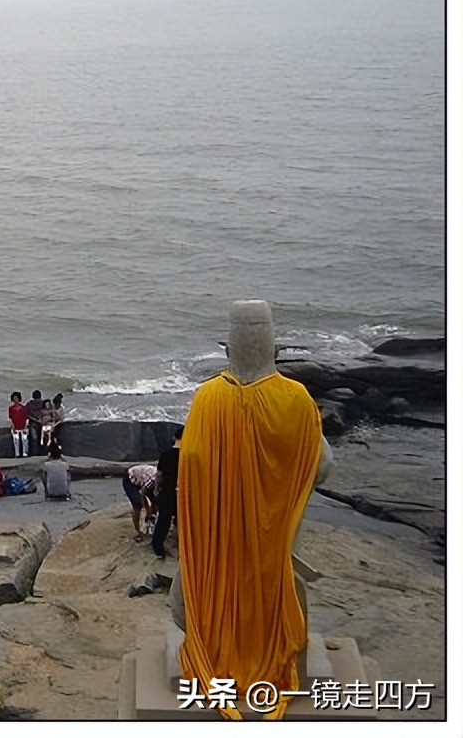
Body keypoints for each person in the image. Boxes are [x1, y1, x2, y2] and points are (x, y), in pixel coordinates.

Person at [175, 300, 330, 721]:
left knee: (182, 607)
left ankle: (224, 663)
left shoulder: (207, 399)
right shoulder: (296, 400)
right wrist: (283, 480)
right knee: (285, 595)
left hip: (218, 547)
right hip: (276, 542)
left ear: (230, 348)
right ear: (273, 347)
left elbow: (190, 468)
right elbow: (324, 465)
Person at [151, 427, 181, 558]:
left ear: (174, 438)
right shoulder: (188, 455)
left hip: (167, 491)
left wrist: (156, 490)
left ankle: (158, 549)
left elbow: (159, 476)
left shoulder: (165, 454)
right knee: (181, 521)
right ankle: (181, 546)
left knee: (163, 520)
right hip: (182, 492)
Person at [122, 462, 157, 541]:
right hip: (130, 478)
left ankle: (151, 522)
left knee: (156, 503)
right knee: (137, 504)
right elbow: (142, 494)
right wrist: (147, 509)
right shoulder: (152, 480)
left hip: (143, 479)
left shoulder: (162, 482)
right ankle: (137, 531)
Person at [7, 391, 29, 457]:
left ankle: (25, 453)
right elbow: (10, 418)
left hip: (23, 426)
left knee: (24, 440)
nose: (15, 400)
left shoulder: (23, 408)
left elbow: (27, 418)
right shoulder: (11, 408)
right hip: (15, 427)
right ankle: (17, 454)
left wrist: (26, 426)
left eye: (16, 398)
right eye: (14, 398)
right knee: (16, 441)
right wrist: (12, 426)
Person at [25, 390, 44, 454]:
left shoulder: (29, 404)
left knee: (34, 439)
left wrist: (34, 419)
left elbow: (26, 414)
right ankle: (44, 453)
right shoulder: (43, 403)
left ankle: (34, 453)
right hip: (43, 423)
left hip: (33, 423)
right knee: (43, 439)